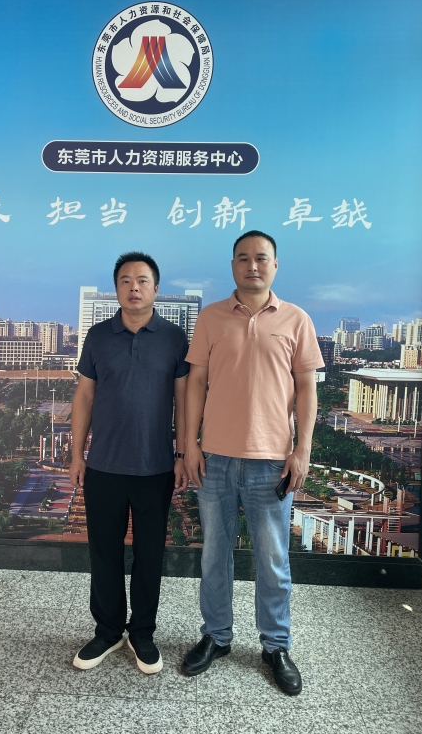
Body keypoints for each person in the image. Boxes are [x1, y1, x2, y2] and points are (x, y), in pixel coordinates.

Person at [180, 230, 324, 696]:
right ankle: (216, 636)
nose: (252, 266)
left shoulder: (297, 319)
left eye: (261, 258)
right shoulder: (211, 317)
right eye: (243, 258)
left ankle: (276, 646)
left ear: (275, 265)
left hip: (271, 462)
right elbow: (195, 384)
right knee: (214, 555)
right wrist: (190, 444)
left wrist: (303, 449)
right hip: (216, 459)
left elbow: (307, 389)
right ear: (233, 266)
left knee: (273, 560)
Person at [70, 251, 189, 675]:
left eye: (142, 280)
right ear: (116, 288)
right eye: (125, 280)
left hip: (156, 467)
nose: (133, 287)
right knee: (104, 554)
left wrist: (181, 454)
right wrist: (76, 454)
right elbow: (84, 396)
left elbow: (183, 402)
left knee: (149, 556)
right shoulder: (98, 336)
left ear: (156, 288)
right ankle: (107, 631)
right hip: (103, 465)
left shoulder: (174, 338)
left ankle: (142, 633)